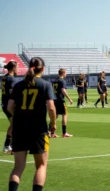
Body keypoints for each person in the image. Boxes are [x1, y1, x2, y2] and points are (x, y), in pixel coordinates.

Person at [7, 57, 57, 191]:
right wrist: (53, 123)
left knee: (18, 167)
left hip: (19, 129)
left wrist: (15, 117)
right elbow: (51, 108)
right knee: (41, 165)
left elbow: (9, 106)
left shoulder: (18, 85)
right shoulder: (45, 85)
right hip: (38, 129)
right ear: (43, 69)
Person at [50, 68, 73, 138]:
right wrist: (69, 99)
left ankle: (51, 132)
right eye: (66, 73)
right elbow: (63, 90)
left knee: (55, 116)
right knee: (65, 114)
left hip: (54, 100)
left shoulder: (54, 80)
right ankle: (64, 132)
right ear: (63, 73)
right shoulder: (62, 81)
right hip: (60, 100)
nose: (66, 74)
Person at [1, 61, 18, 154]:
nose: (18, 69)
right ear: (13, 68)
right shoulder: (12, 79)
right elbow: (13, 94)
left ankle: (7, 145)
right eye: (17, 67)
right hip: (10, 106)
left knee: (13, 124)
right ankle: (12, 147)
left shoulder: (5, 78)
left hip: (4, 104)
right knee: (17, 125)